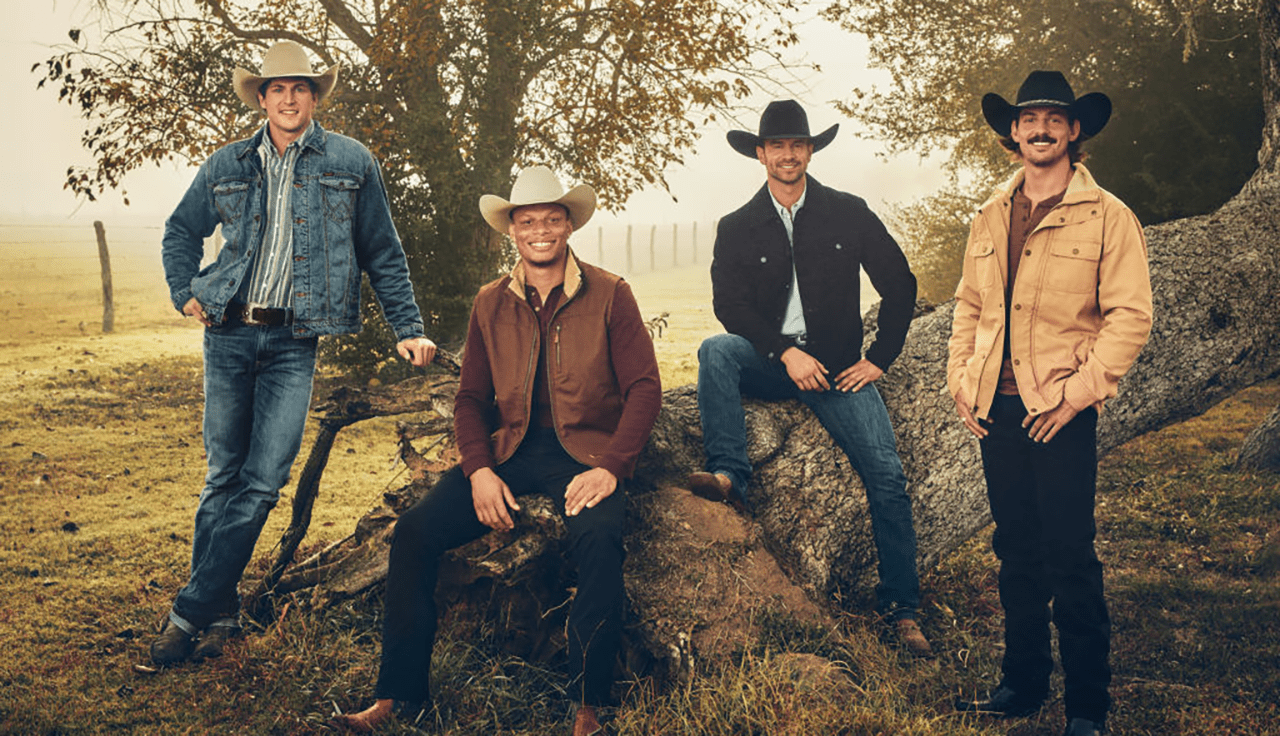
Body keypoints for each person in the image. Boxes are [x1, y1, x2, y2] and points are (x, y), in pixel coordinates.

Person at [334, 166, 662, 735]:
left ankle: (589, 709)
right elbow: (469, 398)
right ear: (511, 230)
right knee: (413, 533)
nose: (540, 230)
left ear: (568, 226)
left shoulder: (612, 294)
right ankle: (396, 698)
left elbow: (644, 388)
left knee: (602, 541)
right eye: (527, 221)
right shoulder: (490, 303)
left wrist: (612, 467)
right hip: (507, 450)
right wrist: (479, 470)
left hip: (582, 454)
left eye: (551, 219)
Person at [153, 40, 437, 666]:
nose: (288, 98)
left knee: (263, 481)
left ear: (314, 97)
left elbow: (382, 252)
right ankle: (220, 610)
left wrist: (406, 327)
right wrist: (184, 293)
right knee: (222, 476)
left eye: (300, 88)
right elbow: (182, 231)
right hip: (227, 330)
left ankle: (188, 612)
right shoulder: (227, 163)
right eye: (276, 88)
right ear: (261, 97)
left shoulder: (351, 161)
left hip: (293, 340)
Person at [948, 71, 1153, 736]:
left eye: (1053, 119)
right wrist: (960, 375)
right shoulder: (988, 215)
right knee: (1016, 552)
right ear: (1012, 131)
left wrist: (1078, 394)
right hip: (997, 413)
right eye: (1028, 118)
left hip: (1060, 411)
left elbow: (1130, 316)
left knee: (1070, 554)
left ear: (1074, 132)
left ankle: (1089, 705)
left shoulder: (1108, 216)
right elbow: (970, 306)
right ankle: (1024, 681)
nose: (1039, 128)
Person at [690, 99, 930, 656]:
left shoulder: (848, 211)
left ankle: (903, 610)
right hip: (772, 363)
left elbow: (900, 284)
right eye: (778, 145)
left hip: (840, 368)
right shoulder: (737, 226)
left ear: (810, 150)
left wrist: (881, 358)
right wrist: (781, 353)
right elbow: (730, 305)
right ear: (760, 153)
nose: (789, 154)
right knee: (716, 351)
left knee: (888, 479)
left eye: (799, 144)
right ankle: (729, 475)